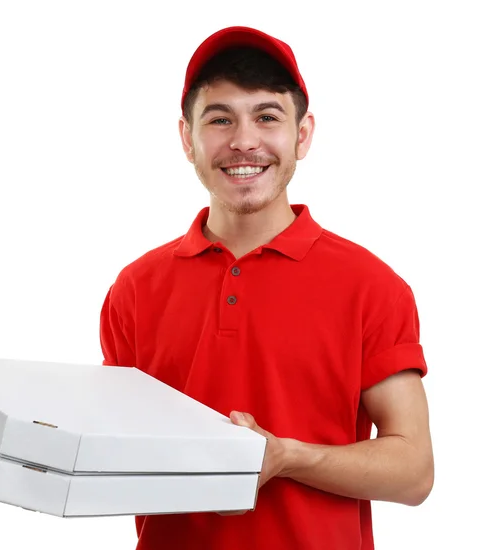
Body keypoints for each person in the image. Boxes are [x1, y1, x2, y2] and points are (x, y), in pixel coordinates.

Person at [99, 25, 434, 550]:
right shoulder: (135, 288)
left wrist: (287, 458)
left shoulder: (372, 286)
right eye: (219, 119)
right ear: (188, 139)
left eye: (267, 116)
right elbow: (111, 453)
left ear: (302, 134)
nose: (244, 141)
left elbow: (413, 472)